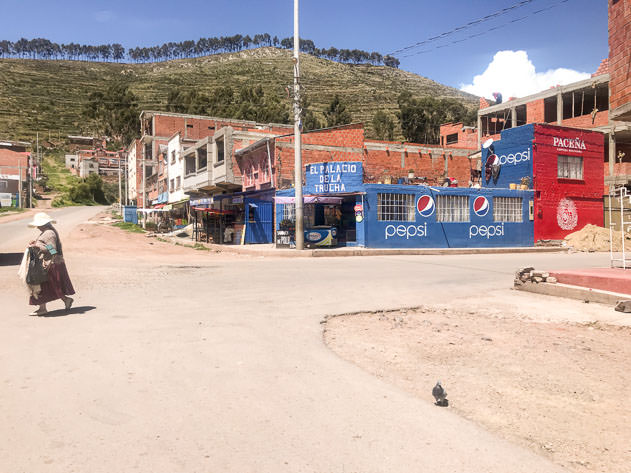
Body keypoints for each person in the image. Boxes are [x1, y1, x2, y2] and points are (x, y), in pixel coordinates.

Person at [27, 212, 75, 316]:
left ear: (43, 224)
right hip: (49, 263)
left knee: (50, 285)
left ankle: (63, 301)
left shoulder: (49, 233)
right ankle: (44, 307)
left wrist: (38, 247)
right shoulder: (47, 232)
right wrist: (36, 244)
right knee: (46, 285)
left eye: (38, 225)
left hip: (51, 264)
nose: (37, 227)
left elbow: (53, 250)